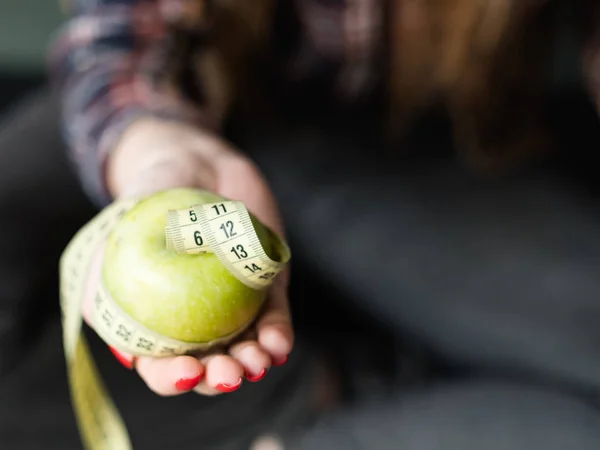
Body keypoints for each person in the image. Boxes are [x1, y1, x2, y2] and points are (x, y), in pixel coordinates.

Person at [2, 0, 600, 449]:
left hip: (375, 153)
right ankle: (330, 390)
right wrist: (158, 150)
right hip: (182, 136)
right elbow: (118, 36)